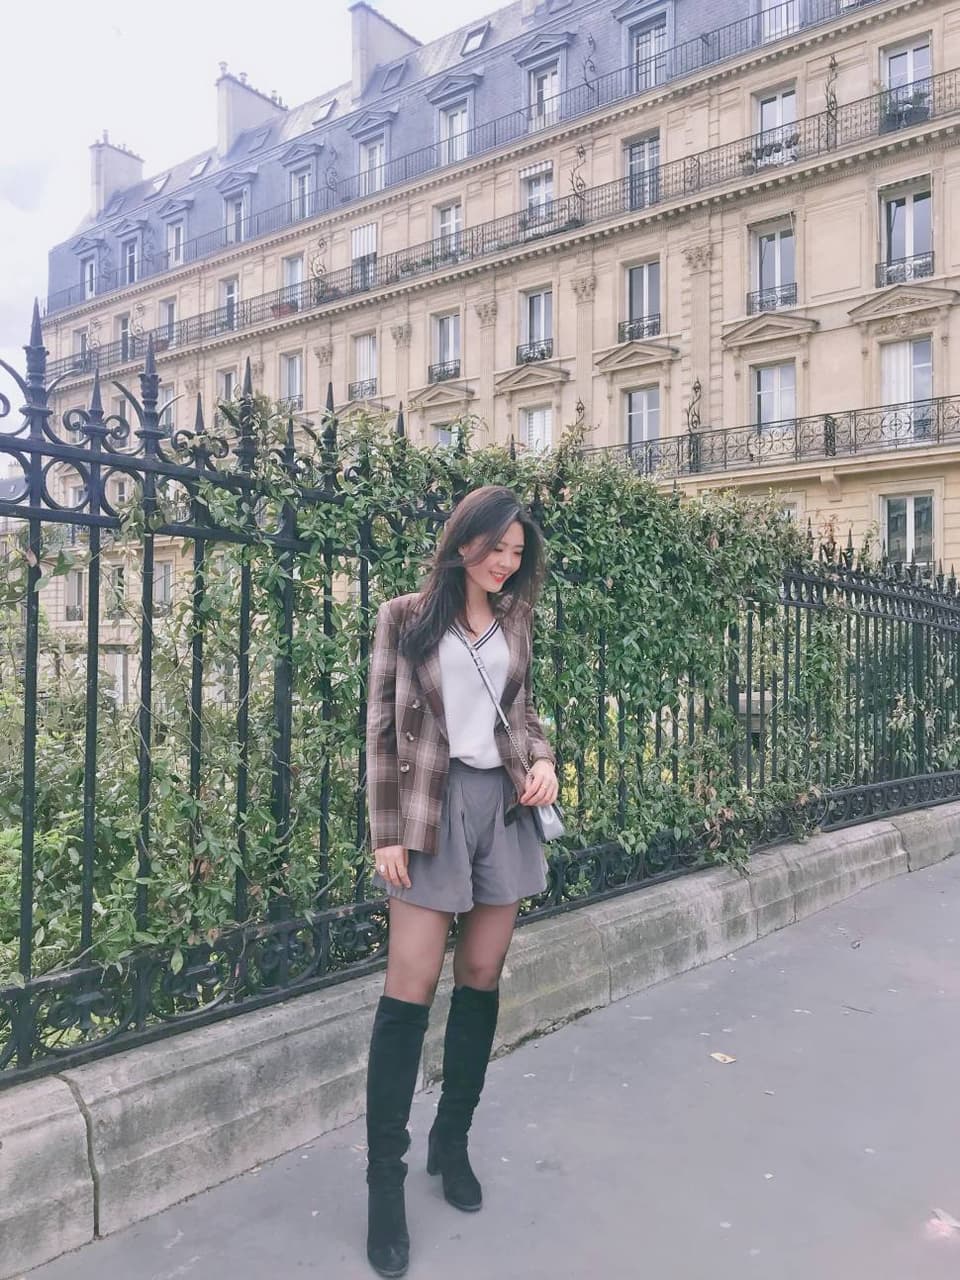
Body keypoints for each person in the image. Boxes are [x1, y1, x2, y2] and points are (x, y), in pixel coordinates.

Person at [363, 484, 559, 1278]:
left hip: (502, 808)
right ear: (463, 539)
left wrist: (543, 760)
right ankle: (384, 1181)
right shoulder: (405, 617)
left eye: (516, 552)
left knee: (481, 976)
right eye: (495, 547)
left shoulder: (516, 618)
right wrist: (386, 832)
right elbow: (381, 726)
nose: (505, 563)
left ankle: (452, 1139)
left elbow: (525, 711)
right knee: (408, 989)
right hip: (429, 808)